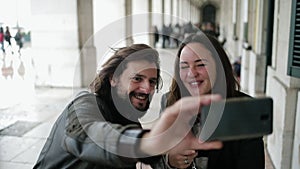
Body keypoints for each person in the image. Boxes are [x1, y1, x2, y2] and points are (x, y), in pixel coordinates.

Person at [33, 44, 222, 169]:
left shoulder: (132, 125)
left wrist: (171, 160)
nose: (147, 88)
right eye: (137, 78)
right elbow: (91, 134)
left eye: (152, 81)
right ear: (113, 78)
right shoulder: (85, 104)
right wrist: (147, 142)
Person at [156, 33, 265, 169]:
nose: (191, 73)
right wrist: (170, 161)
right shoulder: (169, 102)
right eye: (184, 66)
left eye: (200, 64)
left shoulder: (247, 111)